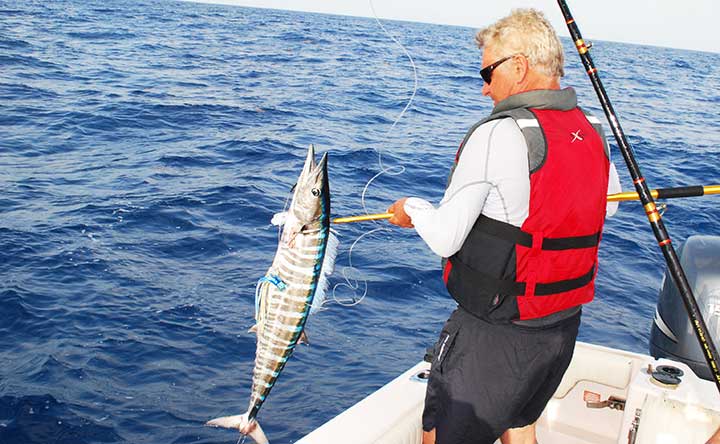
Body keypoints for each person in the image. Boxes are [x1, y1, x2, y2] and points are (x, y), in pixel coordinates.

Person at [387, 9, 621, 444]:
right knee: (520, 426)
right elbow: (605, 209)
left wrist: (412, 208)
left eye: (487, 72)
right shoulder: (592, 130)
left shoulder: (498, 134)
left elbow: (445, 236)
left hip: (497, 331)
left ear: (518, 65)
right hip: (560, 329)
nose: (484, 87)